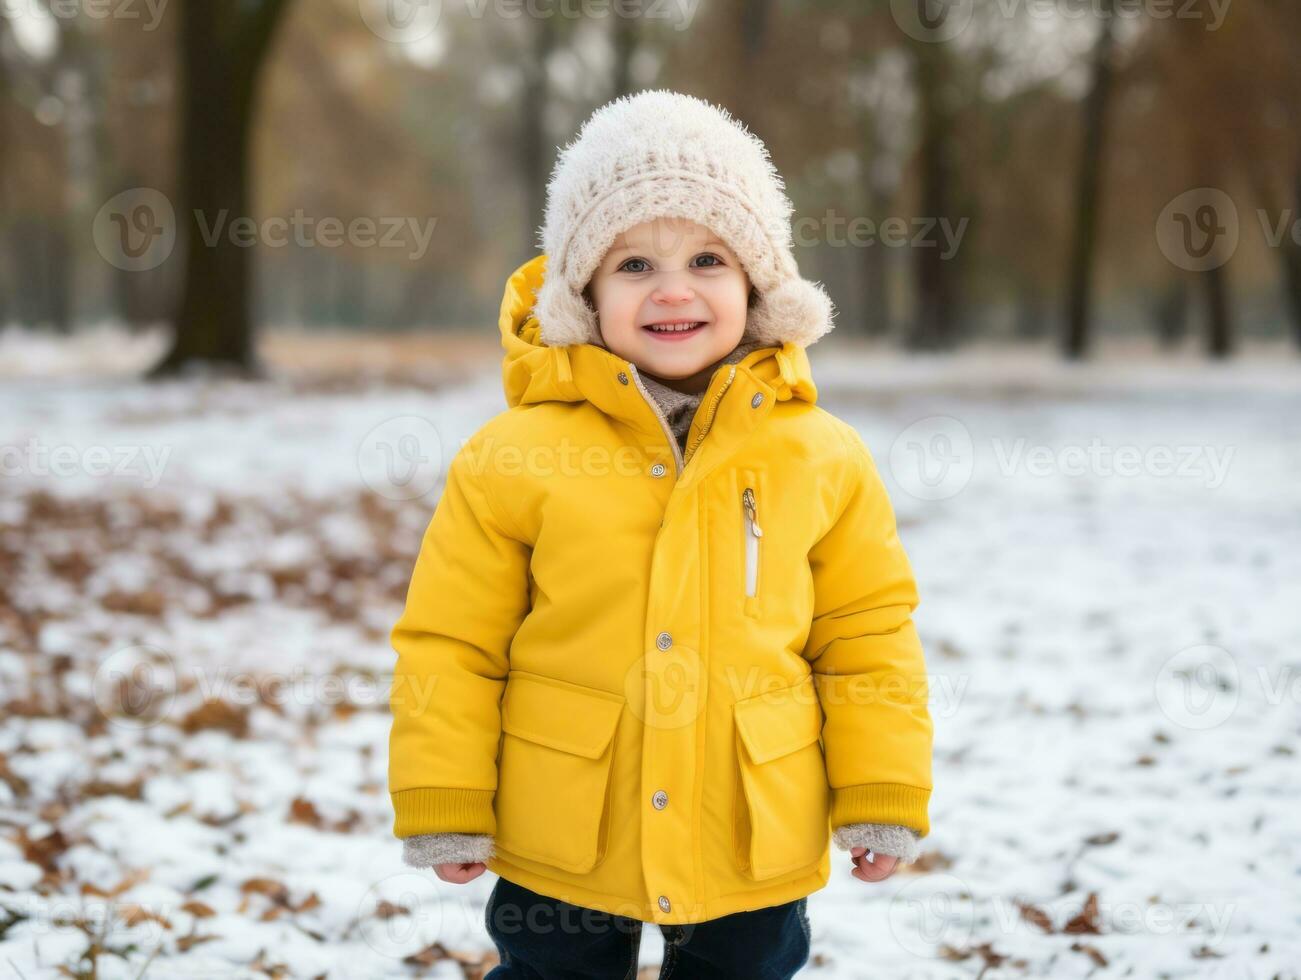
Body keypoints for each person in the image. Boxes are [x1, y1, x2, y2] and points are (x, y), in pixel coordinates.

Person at [387, 89, 934, 978]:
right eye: (633, 264)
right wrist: (445, 796)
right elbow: (453, 642)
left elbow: (866, 635)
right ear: (582, 293)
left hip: (748, 819)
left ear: (757, 283)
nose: (673, 289)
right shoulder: (513, 457)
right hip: (564, 817)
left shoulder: (819, 456)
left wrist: (880, 790)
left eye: (709, 258)